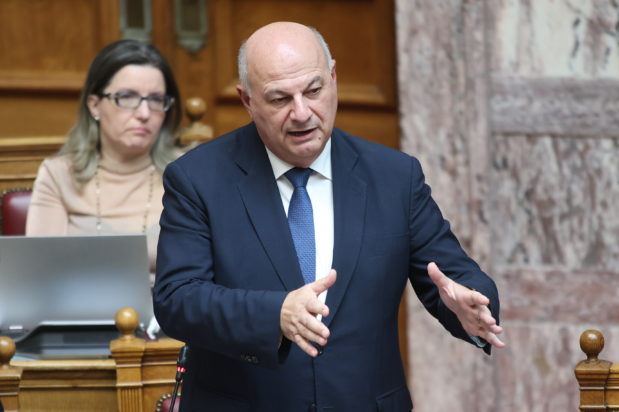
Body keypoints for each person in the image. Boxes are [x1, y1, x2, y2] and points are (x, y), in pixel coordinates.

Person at [153, 22, 504, 411]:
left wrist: (472, 303)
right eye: (279, 99)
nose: (302, 113)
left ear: (333, 78)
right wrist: (274, 314)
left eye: (314, 91)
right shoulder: (198, 179)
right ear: (247, 101)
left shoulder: (394, 177)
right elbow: (177, 299)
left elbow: (453, 275)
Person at [26, 39, 183, 281]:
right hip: (79, 303)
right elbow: (39, 270)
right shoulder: (59, 175)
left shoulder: (188, 174)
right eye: (126, 97)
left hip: (168, 304)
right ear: (94, 105)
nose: (144, 113)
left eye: (156, 99)